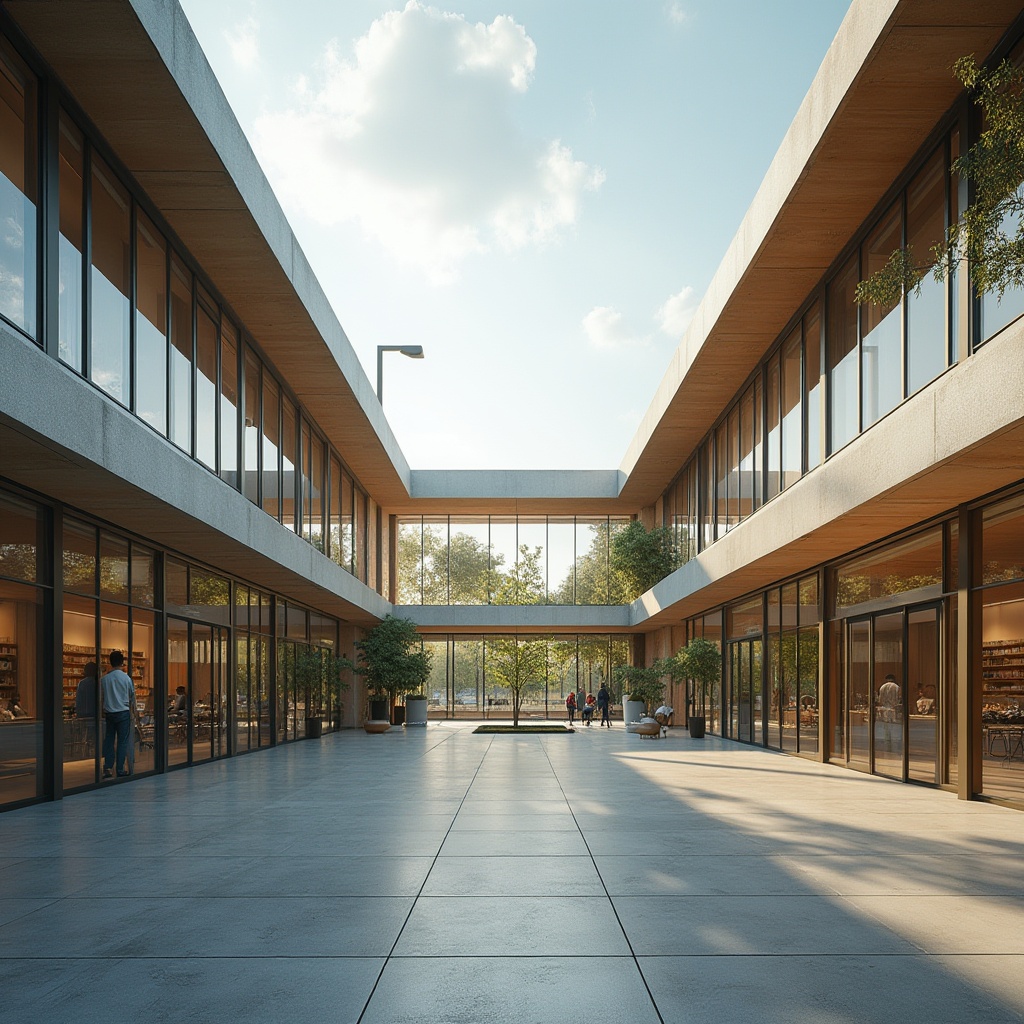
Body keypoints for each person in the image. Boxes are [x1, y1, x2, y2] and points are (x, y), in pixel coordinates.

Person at [100, 650, 136, 779]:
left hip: (109, 713)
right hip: (123, 713)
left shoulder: (104, 679)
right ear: (122, 662)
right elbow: (132, 697)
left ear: (110, 662)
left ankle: (108, 767)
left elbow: (101, 697)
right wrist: (134, 713)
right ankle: (120, 769)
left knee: (109, 740)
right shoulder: (126, 678)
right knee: (122, 742)